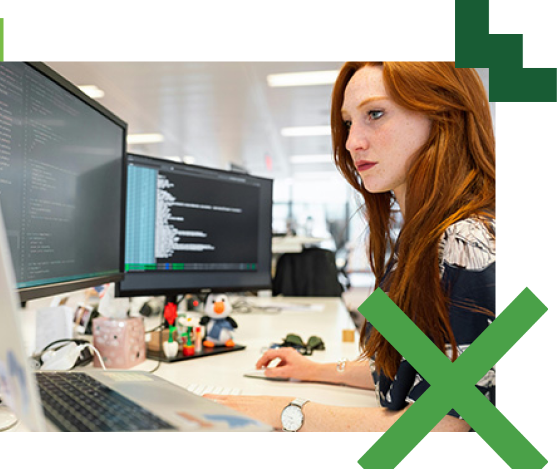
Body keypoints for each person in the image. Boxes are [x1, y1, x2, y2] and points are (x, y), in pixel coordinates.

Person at [206, 61, 496, 432]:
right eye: (348, 122)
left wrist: (286, 412)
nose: (351, 142)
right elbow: (419, 371)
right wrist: (316, 370)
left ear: (444, 115)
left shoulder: (468, 239)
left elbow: (446, 424)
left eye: (375, 114)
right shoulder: (422, 236)